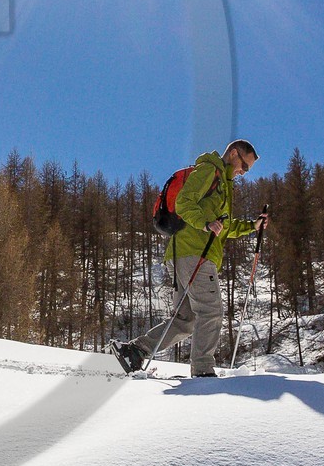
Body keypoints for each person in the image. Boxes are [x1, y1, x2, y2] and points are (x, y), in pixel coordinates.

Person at [114, 139, 269, 378]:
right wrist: (205, 224)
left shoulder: (224, 186)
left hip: (185, 254)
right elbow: (183, 202)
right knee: (211, 311)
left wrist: (252, 225)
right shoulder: (210, 170)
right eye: (244, 167)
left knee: (185, 320)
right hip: (194, 252)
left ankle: (134, 351)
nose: (242, 173)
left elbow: (224, 227)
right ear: (234, 153)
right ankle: (203, 371)